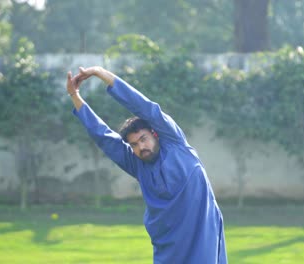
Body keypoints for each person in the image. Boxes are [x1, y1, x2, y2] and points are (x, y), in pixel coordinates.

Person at [66, 66, 227, 263]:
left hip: (201, 237)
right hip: (168, 246)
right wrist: (75, 95)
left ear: (155, 134)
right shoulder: (137, 164)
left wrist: (102, 73)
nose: (141, 147)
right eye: (134, 144)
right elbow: (103, 137)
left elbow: (144, 107)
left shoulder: (175, 142)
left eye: (144, 139)